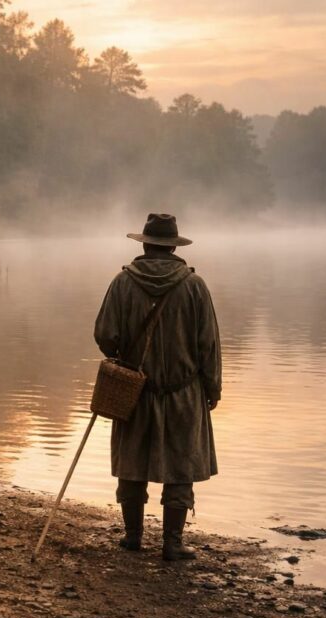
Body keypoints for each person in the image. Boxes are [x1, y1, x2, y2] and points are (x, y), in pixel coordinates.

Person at [93, 213, 221, 561]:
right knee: (181, 467)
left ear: (146, 245)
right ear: (172, 246)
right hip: (184, 392)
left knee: (132, 464)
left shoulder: (122, 283)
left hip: (133, 392)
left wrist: (123, 359)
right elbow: (208, 345)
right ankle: (172, 543)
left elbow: (105, 336)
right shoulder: (195, 286)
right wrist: (212, 389)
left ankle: (133, 538)